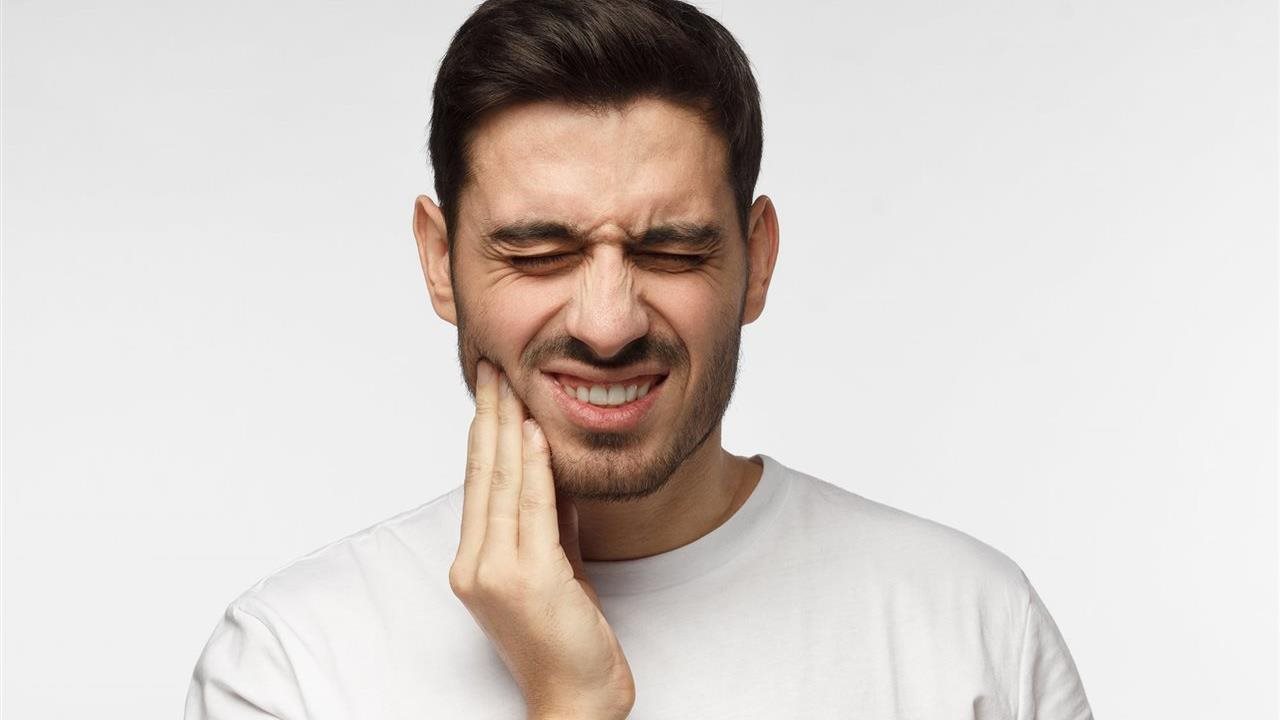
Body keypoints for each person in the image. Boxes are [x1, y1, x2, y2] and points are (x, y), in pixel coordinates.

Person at [185, 1, 1094, 717]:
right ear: (439, 261)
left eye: (671, 251)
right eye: (539, 252)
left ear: (758, 260)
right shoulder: (291, 666)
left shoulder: (972, 630)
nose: (608, 323)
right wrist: (572, 705)